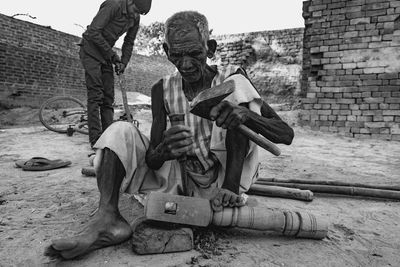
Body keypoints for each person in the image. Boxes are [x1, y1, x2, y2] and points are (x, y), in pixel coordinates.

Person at [47, 11, 294, 259]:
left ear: (210, 48)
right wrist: (164, 150)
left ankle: (230, 191)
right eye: (177, 55)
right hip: (179, 183)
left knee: (239, 91)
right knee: (118, 130)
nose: (185, 64)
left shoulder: (231, 77)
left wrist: (246, 116)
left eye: (195, 54)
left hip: (224, 184)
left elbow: (286, 134)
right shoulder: (161, 90)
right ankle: (108, 218)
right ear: (166, 52)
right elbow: (154, 161)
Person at [79, 0, 152, 147]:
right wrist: (113, 56)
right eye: (135, 10)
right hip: (90, 50)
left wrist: (123, 62)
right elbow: (93, 31)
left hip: (105, 54)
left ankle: (108, 138)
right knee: (96, 95)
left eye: (139, 13)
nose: (135, 15)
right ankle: (96, 140)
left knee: (108, 98)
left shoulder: (135, 18)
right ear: (130, 1)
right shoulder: (113, 5)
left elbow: (129, 42)